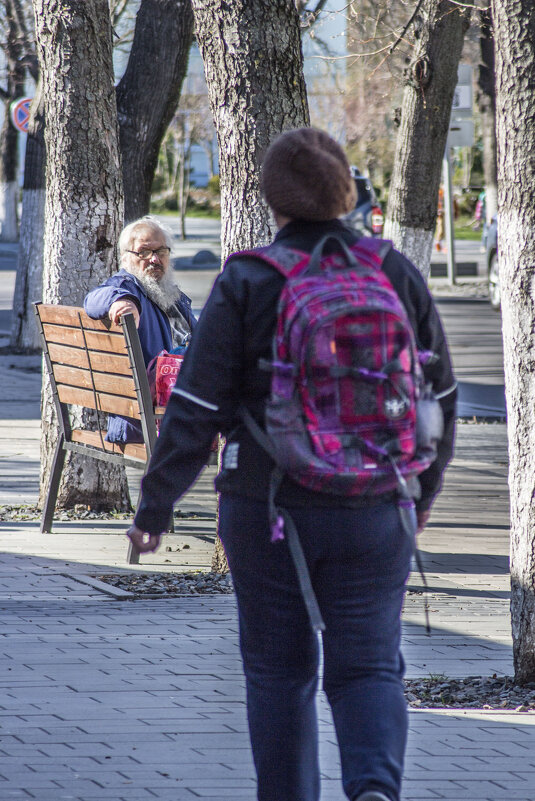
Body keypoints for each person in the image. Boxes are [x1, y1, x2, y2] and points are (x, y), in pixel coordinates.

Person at [127, 128, 457, 801]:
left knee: (279, 672)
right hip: (376, 507)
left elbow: (195, 407)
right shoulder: (392, 271)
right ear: (344, 193)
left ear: (271, 199)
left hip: (268, 507)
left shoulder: (248, 279)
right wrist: (415, 500)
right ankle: (371, 788)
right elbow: (441, 397)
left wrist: (154, 507)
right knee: (368, 666)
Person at [84, 216, 196, 443]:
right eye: (144, 252)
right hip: (153, 419)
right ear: (126, 258)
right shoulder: (127, 286)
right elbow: (93, 299)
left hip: (178, 407)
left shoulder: (171, 295)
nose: (154, 259)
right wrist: (121, 302)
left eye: (161, 251)